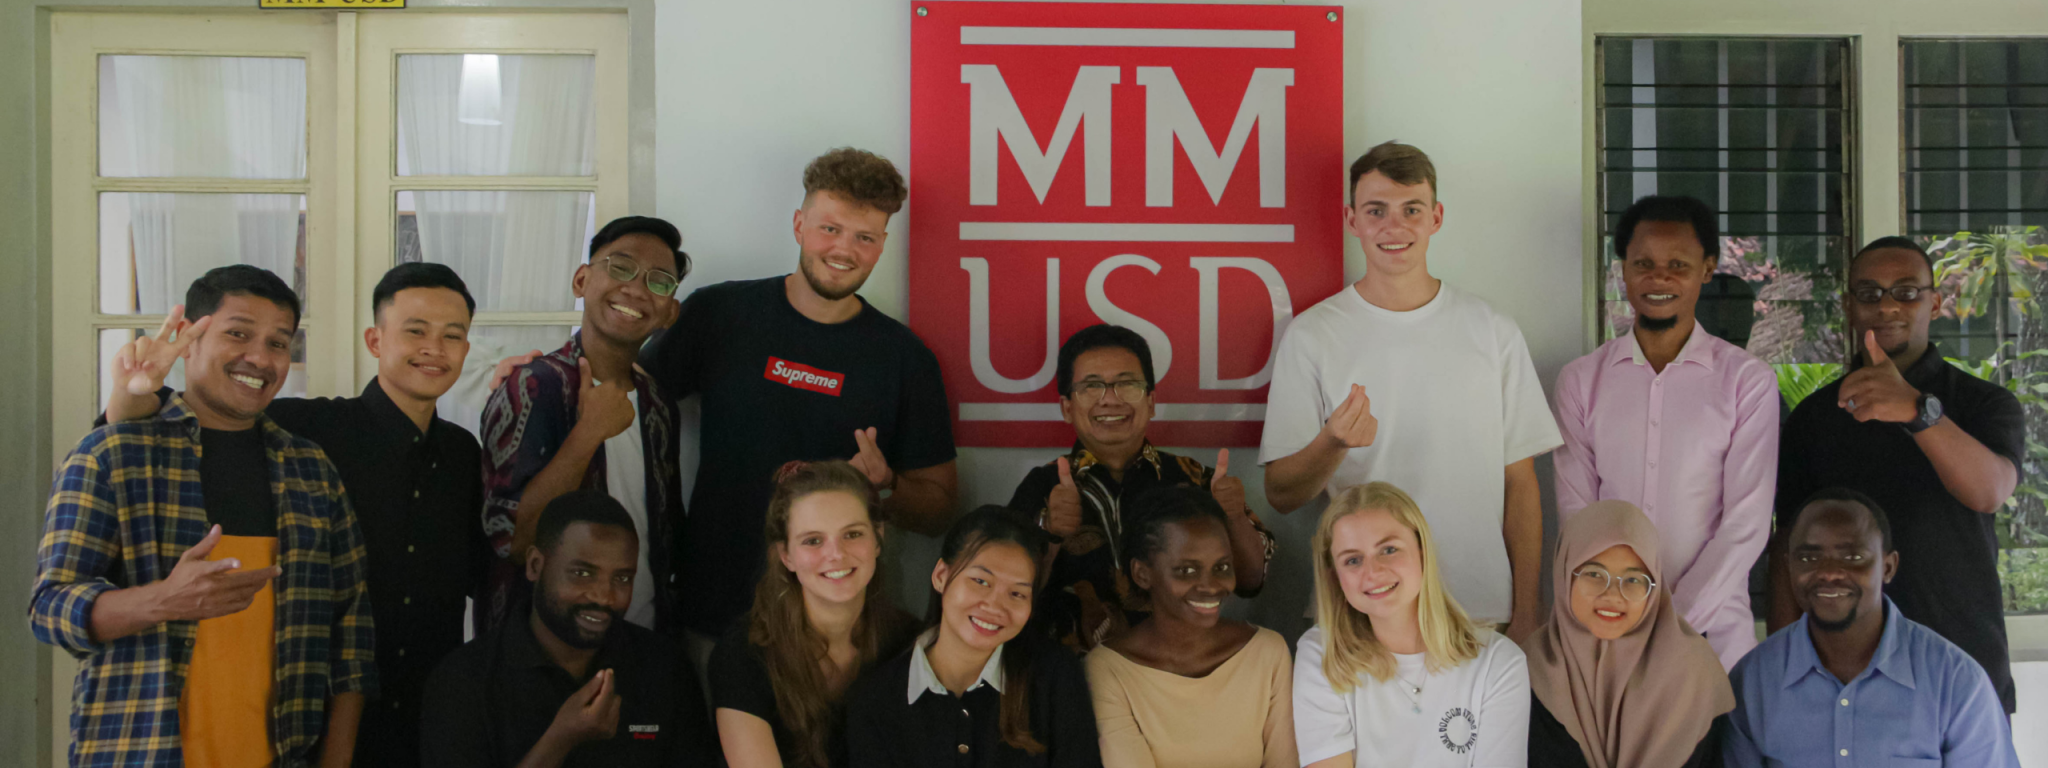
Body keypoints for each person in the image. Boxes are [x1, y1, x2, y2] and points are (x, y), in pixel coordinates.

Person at [102, 261, 491, 768]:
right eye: (416, 330)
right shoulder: (303, 431)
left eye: (452, 336)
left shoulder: (463, 452)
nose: (434, 348)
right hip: (303, 720)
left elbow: (481, 571)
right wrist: (130, 394)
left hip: (428, 716)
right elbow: (184, 426)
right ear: (375, 341)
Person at [31, 265, 374, 768]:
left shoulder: (310, 470)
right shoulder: (111, 454)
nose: (260, 358)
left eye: (278, 343)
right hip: (140, 754)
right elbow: (49, 609)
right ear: (188, 341)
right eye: (238, 334)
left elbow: (352, 632)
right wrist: (162, 600)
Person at [637, 147, 959, 666]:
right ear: (798, 225)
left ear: (882, 245)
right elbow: (628, 391)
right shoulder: (720, 313)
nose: (844, 250)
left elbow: (941, 509)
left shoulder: (905, 358)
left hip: (837, 637)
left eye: (864, 237)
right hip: (713, 614)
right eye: (830, 229)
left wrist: (887, 487)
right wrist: (542, 371)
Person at [1260, 141, 1560, 639]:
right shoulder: (1313, 335)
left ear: (1435, 218)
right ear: (1352, 220)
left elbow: (1521, 485)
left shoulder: (1492, 330)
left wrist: (1527, 610)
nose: (1393, 226)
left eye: (1411, 210)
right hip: (1361, 612)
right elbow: (1282, 494)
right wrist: (1332, 442)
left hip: (1478, 607)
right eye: (1376, 210)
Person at [1771, 235, 2023, 713]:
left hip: (1962, 670)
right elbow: (1787, 548)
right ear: (1849, 307)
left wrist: (1915, 409)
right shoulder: (1815, 418)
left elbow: (1988, 492)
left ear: (1935, 303)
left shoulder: (1984, 403)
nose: (1887, 306)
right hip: (1841, 678)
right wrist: (1784, 670)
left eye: (1906, 292)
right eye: (1869, 293)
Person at [1552, 195, 1779, 668]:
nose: (1660, 278)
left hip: (1713, 644)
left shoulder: (1746, 381)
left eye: (1678, 265)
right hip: (1606, 639)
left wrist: (1671, 622)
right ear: (1623, 269)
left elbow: (1746, 524)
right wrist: (1622, 615)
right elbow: (1579, 521)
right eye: (1644, 264)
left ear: (1707, 268)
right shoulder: (1581, 381)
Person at [1008, 324, 1274, 652]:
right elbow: (1007, 594)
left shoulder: (1194, 479)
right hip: (1070, 672)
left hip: (1179, 666)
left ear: (1151, 401)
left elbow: (1251, 582)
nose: (1110, 399)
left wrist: (1233, 516)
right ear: (1067, 407)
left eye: (1127, 384)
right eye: (1091, 386)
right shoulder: (1041, 486)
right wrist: (1049, 533)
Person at [482, 216, 689, 635]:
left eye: (659, 281)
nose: (636, 288)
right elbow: (514, 543)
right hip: (545, 650)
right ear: (581, 280)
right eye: (621, 267)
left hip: (642, 641)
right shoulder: (534, 385)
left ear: (670, 312)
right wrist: (588, 432)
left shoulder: (659, 404)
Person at [421, 490, 718, 767]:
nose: (604, 596)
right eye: (582, 573)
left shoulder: (664, 668)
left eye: (622, 578)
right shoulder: (465, 683)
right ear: (535, 565)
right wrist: (560, 740)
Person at [1727, 489, 2018, 767]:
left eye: (1853, 557)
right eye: (1808, 558)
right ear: (1789, 566)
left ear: (1888, 567)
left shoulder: (1955, 681)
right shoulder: (1753, 681)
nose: (1829, 572)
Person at [1293, 481, 1529, 768]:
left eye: (1389, 549)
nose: (1373, 572)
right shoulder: (1321, 653)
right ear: (1335, 577)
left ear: (1422, 551)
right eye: (1353, 560)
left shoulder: (1499, 662)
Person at [844, 507, 1099, 768]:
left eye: (1017, 594)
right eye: (981, 581)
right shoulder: (876, 701)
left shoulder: (1054, 676)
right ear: (941, 576)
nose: (995, 606)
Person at [712, 461, 922, 768]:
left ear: (878, 537)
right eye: (813, 540)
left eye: (852, 534)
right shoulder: (743, 654)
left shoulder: (911, 643)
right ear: (786, 555)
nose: (835, 554)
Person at [1085, 486, 1296, 768]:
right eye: (1186, 570)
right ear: (1142, 574)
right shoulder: (1109, 670)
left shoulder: (1267, 653)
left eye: (1222, 567)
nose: (1210, 586)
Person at [1522, 501, 1734, 768]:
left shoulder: (1692, 672)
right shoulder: (1531, 667)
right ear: (1565, 573)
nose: (1612, 595)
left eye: (1633, 580)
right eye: (1594, 574)